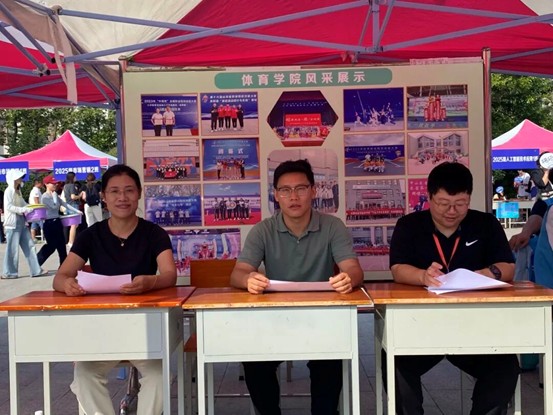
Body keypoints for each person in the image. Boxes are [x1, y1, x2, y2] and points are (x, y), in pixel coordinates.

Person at [230, 159, 363, 415]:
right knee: (254, 361)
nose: (293, 197)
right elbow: (238, 273)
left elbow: (354, 269)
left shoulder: (332, 226)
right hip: (274, 317)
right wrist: (248, 279)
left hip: (321, 317)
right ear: (276, 195)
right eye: (285, 190)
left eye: (301, 189)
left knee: (330, 362)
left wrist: (348, 278)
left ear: (313, 191)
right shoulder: (263, 230)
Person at [387, 162, 520, 415]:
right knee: (394, 364)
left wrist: (485, 274)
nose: (451, 211)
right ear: (429, 197)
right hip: (420, 326)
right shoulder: (409, 225)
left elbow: (508, 267)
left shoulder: (485, 224)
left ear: (469, 198)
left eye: (460, 203)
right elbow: (397, 268)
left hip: (475, 327)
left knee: (505, 367)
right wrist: (423, 276)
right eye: (443, 203)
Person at [53, 164, 177, 415]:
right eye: (115, 191)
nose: (122, 197)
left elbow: (169, 275)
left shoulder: (154, 234)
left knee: (159, 375)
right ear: (104, 196)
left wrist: (150, 282)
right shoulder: (90, 235)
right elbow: (60, 277)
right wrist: (67, 284)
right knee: (85, 374)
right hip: (102, 328)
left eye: (129, 190)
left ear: (139, 193)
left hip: (145, 328)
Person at [2, 169, 45, 279]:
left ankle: (36, 270)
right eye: (19, 177)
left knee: (30, 245)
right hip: (13, 223)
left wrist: (30, 207)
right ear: (14, 179)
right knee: (12, 249)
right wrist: (23, 210)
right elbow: (9, 207)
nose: (21, 179)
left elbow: (23, 203)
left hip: (21, 221)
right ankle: (9, 272)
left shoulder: (18, 191)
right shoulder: (9, 191)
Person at [37, 175, 82, 268]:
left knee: (62, 246)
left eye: (56, 183)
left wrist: (77, 211)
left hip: (57, 221)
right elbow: (54, 206)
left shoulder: (55, 196)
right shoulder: (45, 197)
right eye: (53, 183)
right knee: (51, 246)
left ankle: (64, 266)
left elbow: (64, 204)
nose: (55, 185)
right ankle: (36, 263)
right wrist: (55, 196)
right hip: (49, 223)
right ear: (46, 184)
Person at [63, 171, 82, 247]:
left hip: (68, 205)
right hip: (73, 205)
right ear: (72, 177)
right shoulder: (72, 186)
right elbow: (73, 197)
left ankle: (70, 241)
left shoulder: (65, 186)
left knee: (73, 225)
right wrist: (80, 196)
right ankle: (71, 242)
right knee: (74, 225)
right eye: (75, 176)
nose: (76, 178)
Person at [28, 178, 43, 243]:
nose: (42, 184)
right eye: (41, 183)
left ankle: (33, 238)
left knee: (34, 224)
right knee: (42, 224)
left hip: (34, 209)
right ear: (38, 183)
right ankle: (45, 237)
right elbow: (36, 200)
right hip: (37, 210)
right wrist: (40, 208)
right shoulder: (36, 191)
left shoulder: (34, 190)